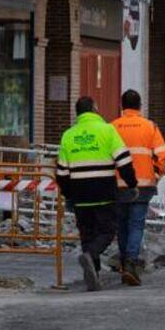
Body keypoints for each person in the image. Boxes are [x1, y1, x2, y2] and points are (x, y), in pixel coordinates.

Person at [56, 96, 137, 292]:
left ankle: (94, 274)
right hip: (104, 192)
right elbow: (123, 161)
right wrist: (132, 183)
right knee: (107, 230)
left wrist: (69, 195)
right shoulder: (107, 130)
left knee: (87, 233)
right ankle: (91, 255)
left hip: (80, 195)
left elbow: (61, 172)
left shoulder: (68, 135)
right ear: (94, 108)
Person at [110, 90, 165, 287]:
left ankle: (125, 262)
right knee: (136, 224)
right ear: (140, 106)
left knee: (122, 225)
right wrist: (157, 175)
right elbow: (161, 154)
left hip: (118, 185)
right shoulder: (149, 126)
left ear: (122, 106)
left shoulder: (112, 127)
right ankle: (131, 263)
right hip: (143, 185)